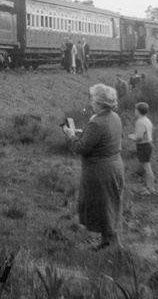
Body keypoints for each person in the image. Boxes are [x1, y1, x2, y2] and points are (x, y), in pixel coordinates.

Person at [63, 84, 124, 250]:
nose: (91, 102)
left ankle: (115, 247)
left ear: (99, 102)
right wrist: (85, 134)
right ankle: (107, 241)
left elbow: (81, 148)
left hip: (100, 172)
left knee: (103, 205)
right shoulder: (114, 117)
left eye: (92, 99)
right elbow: (102, 139)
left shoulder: (97, 122)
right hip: (114, 167)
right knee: (110, 203)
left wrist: (71, 136)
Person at [128, 102, 155, 195]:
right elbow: (144, 134)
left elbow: (139, 137)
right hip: (148, 144)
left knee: (147, 167)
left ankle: (150, 188)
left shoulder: (139, 122)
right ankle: (148, 186)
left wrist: (131, 137)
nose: (135, 111)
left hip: (143, 146)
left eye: (135, 109)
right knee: (146, 167)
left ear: (138, 111)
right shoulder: (147, 120)